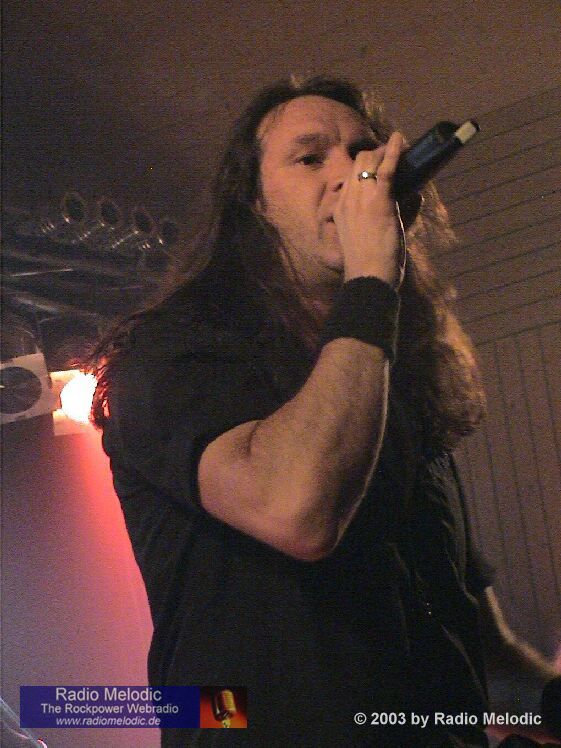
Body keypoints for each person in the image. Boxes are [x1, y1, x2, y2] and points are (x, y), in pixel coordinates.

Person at [88, 77, 559, 747]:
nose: (352, 172)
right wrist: (370, 277)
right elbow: (296, 511)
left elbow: (484, 657)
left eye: (364, 151)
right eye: (310, 158)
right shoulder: (174, 354)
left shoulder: (392, 387)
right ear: (254, 202)